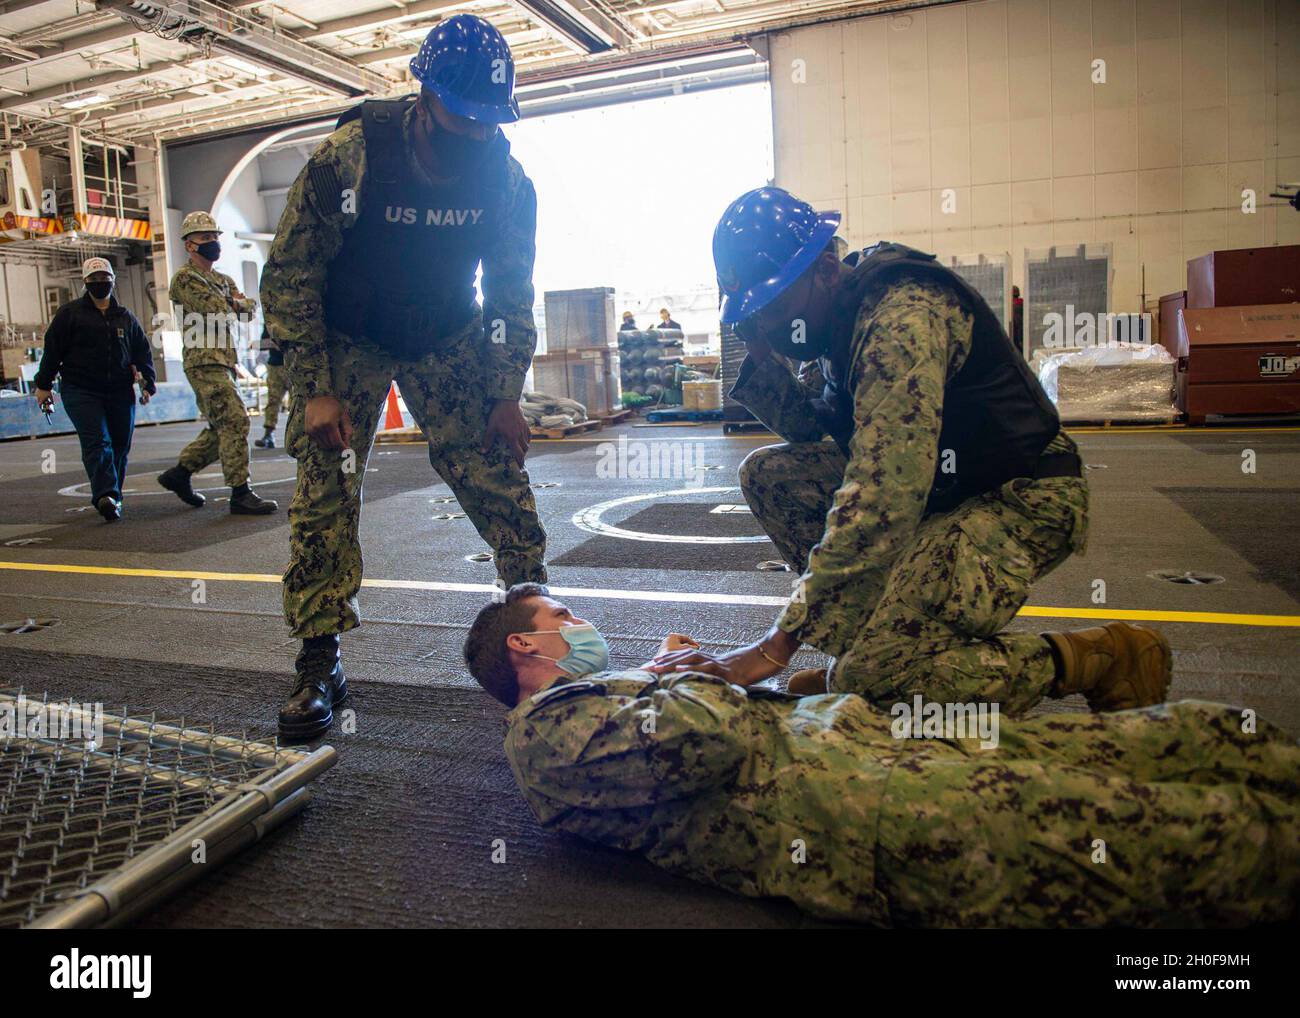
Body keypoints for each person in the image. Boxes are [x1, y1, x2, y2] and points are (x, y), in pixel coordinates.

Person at [465, 585, 1300, 928]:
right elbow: (705, 739)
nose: (581, 627)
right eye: (563, 617)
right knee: (1190, 834)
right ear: (524, 646)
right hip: (872, 816)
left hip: (883, 743)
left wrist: (664, 674)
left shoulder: (602, 697)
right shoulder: (541, 737)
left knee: (1188, 735)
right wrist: (694, 673)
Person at [660, 186, 1170, 713]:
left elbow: (882, 497)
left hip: (1018, 497)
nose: (766, 323)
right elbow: (810, 429)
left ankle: (1100, 657)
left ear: (826, 270)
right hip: (941, 493)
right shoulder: (830, 318)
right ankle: (869, 648)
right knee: (771, 474)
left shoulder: (900, 318)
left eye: (773, 308)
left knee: (879, 683)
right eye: (754, 314)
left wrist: (775, 646)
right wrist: (762, 352)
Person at [261, 14, 547, 741]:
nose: (474, 134)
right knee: (326, 482)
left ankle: (538, 620)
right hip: (349, 337)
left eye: (488, 122)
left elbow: (512, 292)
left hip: (448, 333)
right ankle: (319, 657)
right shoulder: (350, 159)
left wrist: (505, 393)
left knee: (493, 468)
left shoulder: (508, 183)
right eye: (462, 117)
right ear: (423, 100)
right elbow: (292, 273)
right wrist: (314, 385)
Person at [156, 211, 278, 515]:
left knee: (223, 425)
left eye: (215, 237)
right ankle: (240, 492)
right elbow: (215, 309)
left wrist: (235, 302)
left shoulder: (222, 279)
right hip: (203, 360)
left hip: (224, 360)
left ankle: (180, 473)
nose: (212, 242)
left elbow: (250, 310)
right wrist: (233, 302)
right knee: (236, 420)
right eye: (205, 238)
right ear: (189, 245)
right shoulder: (185, 279)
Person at [33, 257, 155, 522]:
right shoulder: (69, 314)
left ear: (113, 280)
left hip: (120, 391)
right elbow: (53, 351)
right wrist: (43, 385)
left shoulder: (126, 317)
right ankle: (105, 495)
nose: (101, 283)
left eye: (105, 278)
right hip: (81, 390)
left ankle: (115, 496)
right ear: (85, 282)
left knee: (120, 443)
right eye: (95, 279)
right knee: (98, 441)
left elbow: (142, 352)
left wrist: (148, 383)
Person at [255, 325, 287, 449]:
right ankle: (268, 435)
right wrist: (273, 343)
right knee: (273, 402)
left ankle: (305, 435)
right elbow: (262, 344)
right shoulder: (269, 322)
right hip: (275, 366)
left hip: (293, 366)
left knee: (299, 402)